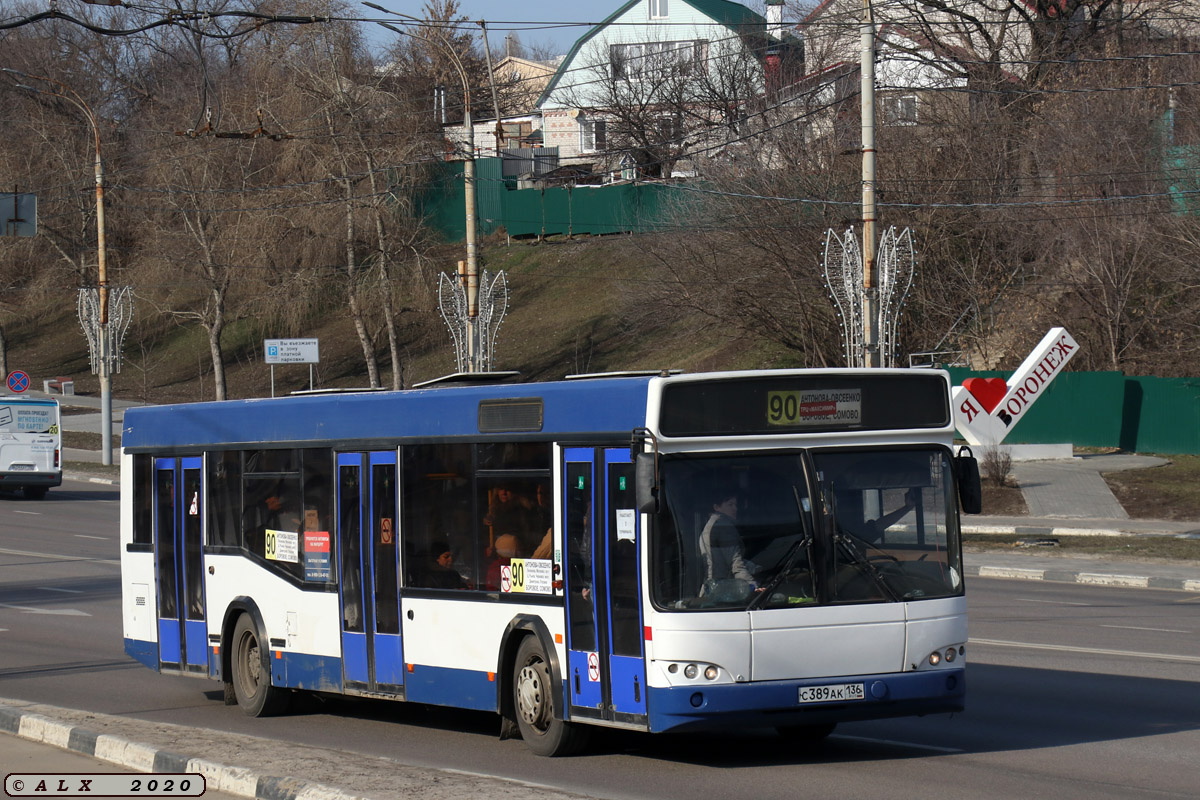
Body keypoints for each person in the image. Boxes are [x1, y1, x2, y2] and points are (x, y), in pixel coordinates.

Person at [699, 490, 755, 595]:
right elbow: (736, 563)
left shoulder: (710, 525)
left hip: (710, 588)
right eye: (730, 504)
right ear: (716, 507)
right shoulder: (723, 526)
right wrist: (752, 586)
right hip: (722, 591)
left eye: (736, 504)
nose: (735, 508)